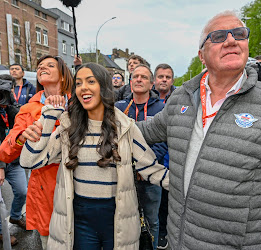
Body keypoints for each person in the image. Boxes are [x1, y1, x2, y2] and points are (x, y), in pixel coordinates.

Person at [137, 10, 261, 249]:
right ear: (201, 55)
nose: (231, 40)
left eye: (239, 34)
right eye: (219, 36)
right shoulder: (182, 98)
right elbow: (145, 131)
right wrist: (95, 115)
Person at [19, 63, 169, 249]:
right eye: (79, 83)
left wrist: (192, 188)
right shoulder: (68, 128)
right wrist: (48, 117)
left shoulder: (125, 127)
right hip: (80, 220)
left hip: (117, 219)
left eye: (91, 81)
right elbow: (28, 161)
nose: (84, 88)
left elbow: (152, 170)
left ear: (104, 87)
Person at [0, 55, 73, 249]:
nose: (42, 68)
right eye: (40, 66)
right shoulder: (28, 108)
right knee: (49, 241)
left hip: (79, 182)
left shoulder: (79, 103)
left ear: (64, 76)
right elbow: (5, 152)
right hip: (46, 189)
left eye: (50, 65)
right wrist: (23, 137)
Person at [115, 64, 167, 249]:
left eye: (144, 77)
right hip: (123, 175)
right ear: (130, 82)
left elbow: (163, 141)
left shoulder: (162, 107)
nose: (139, 79)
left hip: (151, 176)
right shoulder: (118, 107)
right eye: (135, 76)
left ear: (151, 83)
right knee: (124, 219)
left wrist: (145, 167)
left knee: (152, 219)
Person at [0, 75, 27, 246]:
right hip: (1, 163)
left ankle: (16, 217)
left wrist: (11, 106)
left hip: (14, 162)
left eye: (7, 92)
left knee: (22, 191)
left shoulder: (13, 110)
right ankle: (2, 232)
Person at [153, 63, 175, 249]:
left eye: (167, 77)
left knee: (168, 203)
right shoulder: (148, 100)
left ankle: (165, 234)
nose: (164, 80)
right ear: (155, 80)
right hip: (151, 162)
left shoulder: (179, 99)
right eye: (161, 77)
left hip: (171, 162)